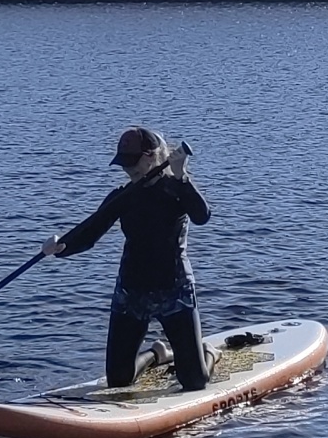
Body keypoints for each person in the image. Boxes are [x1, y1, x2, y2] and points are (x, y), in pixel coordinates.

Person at [45, 126, 212, 392]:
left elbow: (202, 215)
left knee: (194, 382)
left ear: (151, 157)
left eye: (133, 163)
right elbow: (90, 231)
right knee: (119, 380)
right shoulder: (124, 196)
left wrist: (182, 177)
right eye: (124, 163)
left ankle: (208, 353)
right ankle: (157, 354)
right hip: (131, 291)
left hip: (174, 288)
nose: (128, 169)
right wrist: (60, 247)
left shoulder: (176, 189)